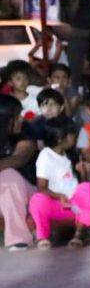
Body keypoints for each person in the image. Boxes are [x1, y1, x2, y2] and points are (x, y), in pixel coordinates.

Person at [29, 116, 90, 249]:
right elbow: (42, 187)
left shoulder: (70, 155)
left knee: (88, 188)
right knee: (37, 200)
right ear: (61, 138)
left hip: (74, 206)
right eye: (72, 134)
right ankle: (43, 236)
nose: (75, 137)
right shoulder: (46, 156)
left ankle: (79, 234)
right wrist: (60, 196)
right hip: (56, 204)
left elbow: (81, 189)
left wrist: (83, 172)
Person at [0, 95, 39, 251]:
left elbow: (20, 158)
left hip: (29, 195)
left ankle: (18, 238)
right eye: (16, 117)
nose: (21, 119)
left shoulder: (27, 130)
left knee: (8, 175)